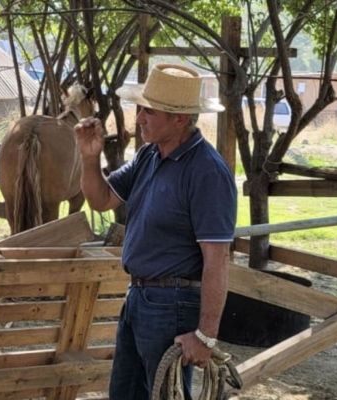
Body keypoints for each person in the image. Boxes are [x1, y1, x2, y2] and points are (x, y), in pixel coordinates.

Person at [74, 63, 237, 400]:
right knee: (127, 393)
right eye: (141, 109)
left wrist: (205, 336)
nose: (139, 119)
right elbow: (101, 199)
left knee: (165, 394)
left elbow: (217, 260)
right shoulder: (149, 155)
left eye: (149, 111)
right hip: (139, 297)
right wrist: (90, 158)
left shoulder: (207, 171)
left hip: (171, 304)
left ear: (180, 119)